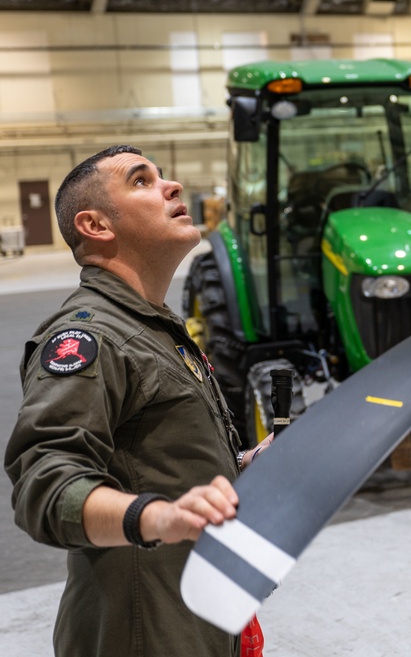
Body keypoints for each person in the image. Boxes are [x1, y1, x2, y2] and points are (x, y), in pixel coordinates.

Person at [4, 145, 272, 657]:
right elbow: (43, 485)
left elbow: (156, 462)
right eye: (142, 180)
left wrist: (242, 466)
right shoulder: (92, 338)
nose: (171, 187)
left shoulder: (154, 329)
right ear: (97, 225)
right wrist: (159, 518)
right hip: (143, 633)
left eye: (164, 176)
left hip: (196, 614)